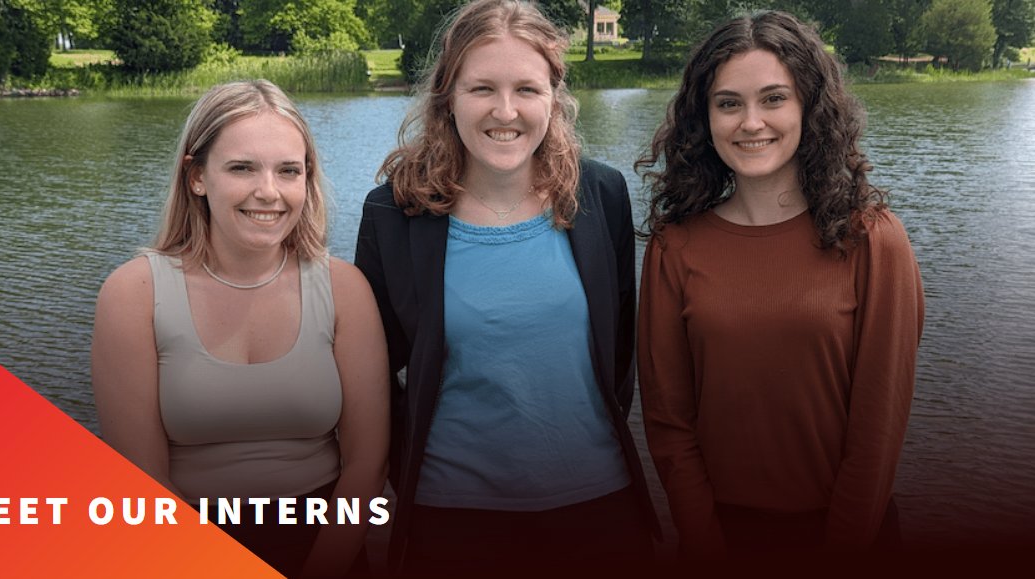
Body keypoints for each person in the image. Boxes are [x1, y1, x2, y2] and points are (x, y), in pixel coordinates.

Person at [353, 1, 659, 577]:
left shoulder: (601, 195)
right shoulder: (395, 213)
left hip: (602, 513)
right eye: (482, 89)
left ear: (555, 97)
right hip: (450, 519)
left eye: (527, 89)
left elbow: (618, 355)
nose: (505, 110)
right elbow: (375, 379)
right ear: (447, 96)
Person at [635, 10, 925, 567]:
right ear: (704, 118)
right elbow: (669, 422)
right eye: (728, 103)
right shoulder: (675, 247)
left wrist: (842, 548)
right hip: (721, 542)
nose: (751, 122)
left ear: (809, 108)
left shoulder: (872, 240)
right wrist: (703, 540)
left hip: (849, 539)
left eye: (773, 98)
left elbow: (879, 425)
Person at [91, 80, 389, 579]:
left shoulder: (345, 290)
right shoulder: (134, 294)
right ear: (197, 177)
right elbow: (143, 481)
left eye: (288, 171)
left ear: (307, 180)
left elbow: (366, 466)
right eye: (242, 168)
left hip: (327, 545)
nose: (268, 192)